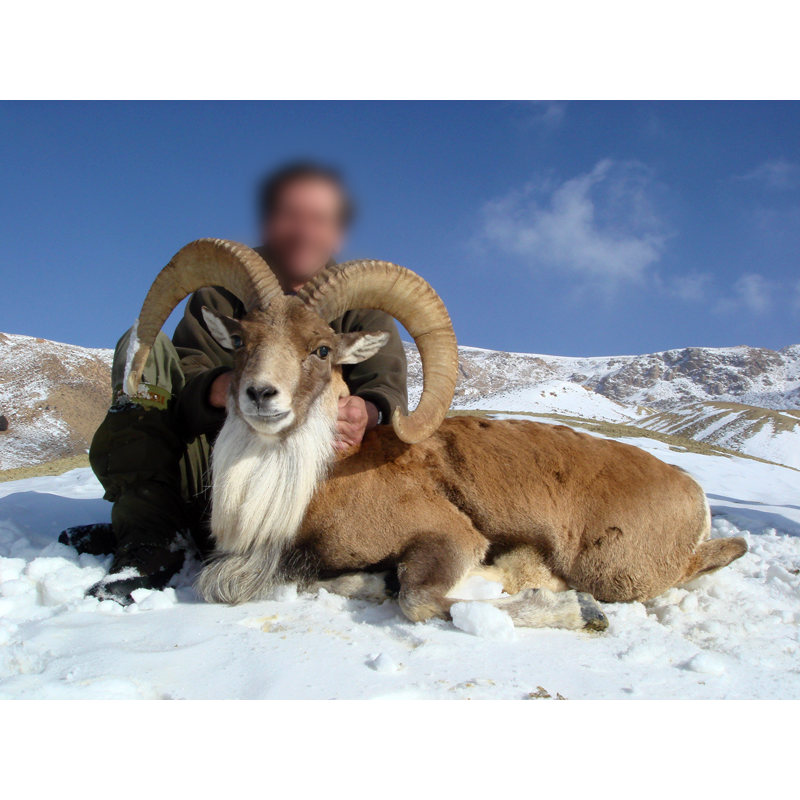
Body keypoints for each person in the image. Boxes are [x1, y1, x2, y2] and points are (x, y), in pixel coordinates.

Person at [60, 162, 408, 604]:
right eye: (291, 215)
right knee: (140, 346)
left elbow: (387, 386)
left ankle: (199, 531)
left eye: (319, 219)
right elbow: (183, 371)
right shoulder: (222, 292)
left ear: (336, 231)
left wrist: (368, 410)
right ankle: (149, 538)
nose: (304, 231)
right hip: (218, 458)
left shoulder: (362, 303)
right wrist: (218, 387)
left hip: (314, 475)